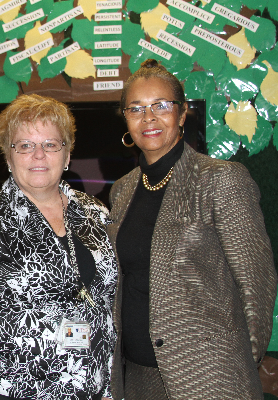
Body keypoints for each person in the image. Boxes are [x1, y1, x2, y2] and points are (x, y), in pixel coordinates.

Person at [108, 59, 277, 400]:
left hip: (211, 378)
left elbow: (257, 282)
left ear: (182, 114)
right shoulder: (122, 190)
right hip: (140, 377)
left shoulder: (220, 179)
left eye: (161, 106)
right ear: (126, 119)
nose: (149, 117)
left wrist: (240, 361)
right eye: (137, 108)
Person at [0, 94, 117, 400]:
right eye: (25, 145)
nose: (38, 155)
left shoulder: (94, 213)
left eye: (50, 144)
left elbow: (107, 307)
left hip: (89, 388)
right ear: (8, 157)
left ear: (67, 154)